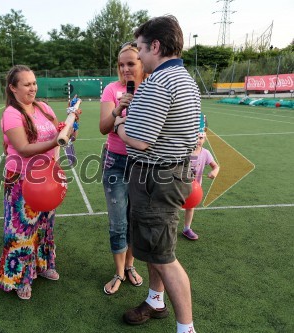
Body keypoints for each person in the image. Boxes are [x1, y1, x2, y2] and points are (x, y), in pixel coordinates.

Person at [114, 15, 201, 332]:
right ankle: (155, 300)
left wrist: (119, 124)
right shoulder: (183, 78)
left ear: (156, 45)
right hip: (168, 174)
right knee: (151, 245)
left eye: (140, 49)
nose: (138, 57)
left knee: (163, 255)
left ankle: (186, 328)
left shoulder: (161, 82)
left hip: (157, 178)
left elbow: (139, 140)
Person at [0, 65, 64, 300]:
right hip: (21, 180)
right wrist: (57, 141)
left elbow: (59, 132)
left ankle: (44, 265)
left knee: (45, 225)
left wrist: (68, 131)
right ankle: (19, 277)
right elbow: (23, 149)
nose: (32, 87)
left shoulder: (43, 108)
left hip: (46, 180)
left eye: (34, 83)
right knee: (22, 230)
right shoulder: (11, 114)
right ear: (13, 88)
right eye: (26, 84)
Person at [99, 44, 146, 295]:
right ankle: (118, 272)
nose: (126, 69)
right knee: (118, 222)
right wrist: (117, 110)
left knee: (135, 221)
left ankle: (130, 266)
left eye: (131, 63)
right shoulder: (112, 90)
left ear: (142, 63)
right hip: (115, 161)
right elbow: (103, 127)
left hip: (143, 164)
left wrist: (124, 122)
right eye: (121, 64)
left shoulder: (151, 88)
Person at [182, 131, 219, 240]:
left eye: (201, 138)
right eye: (195, 137)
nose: (198, 140)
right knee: (173, 206)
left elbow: (216, 166)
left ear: (205, 140)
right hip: (179, 186)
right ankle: (169, 228)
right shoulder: (184, 151)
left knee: (190, 207)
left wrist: (214, 172)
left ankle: (187, 228)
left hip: (194, 189)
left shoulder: (206, 153)